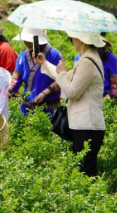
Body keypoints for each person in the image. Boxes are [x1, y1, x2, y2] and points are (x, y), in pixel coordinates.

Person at [35, 31, 106, 177]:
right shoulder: (86, 59)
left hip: (87, 126)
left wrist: (62, 73)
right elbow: (66, 79)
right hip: (84, 126)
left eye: (74, 37)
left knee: (86, 173)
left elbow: (72, 91)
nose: (72, 40)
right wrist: (45, 63)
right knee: (83, 171)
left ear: (82, 39)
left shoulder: (88, 62)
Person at [9, 27, 63, 118]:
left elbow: (61, 79)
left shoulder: (54, 55)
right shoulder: (22, 57)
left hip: (49, 107)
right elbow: (16, 79)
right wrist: (6, 94)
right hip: (27, 107)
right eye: (25, 39)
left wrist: (44, 93)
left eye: (30, 40)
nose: (27, 42)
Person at [75, 33, 117, 101]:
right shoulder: (78, 58)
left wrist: (110, 97)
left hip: (105, 99)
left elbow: (116, 84)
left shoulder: (110, 58)